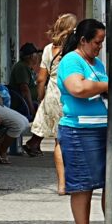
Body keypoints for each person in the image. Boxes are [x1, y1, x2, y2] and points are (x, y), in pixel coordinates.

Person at [57, 18, 112, 224]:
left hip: (104, 129)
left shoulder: (97, 64)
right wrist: (108, 87)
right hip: (80, 130)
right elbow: (77, 88)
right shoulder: (72, 61)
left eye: (102, 43)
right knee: (83, 184)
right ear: (83, 40)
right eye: (96, 42)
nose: (99, 47)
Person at [27, 13, 77, 194]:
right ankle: (74, 181)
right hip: (70, 92)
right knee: (73, 138)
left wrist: (41, 98)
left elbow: (41, 78)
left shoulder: (48, 49)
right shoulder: (76, 48)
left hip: (52, 93)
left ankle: (62, 184)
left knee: (59, 140)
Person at [9, 43, 41, 119]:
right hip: (23, 105)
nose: (37, 57)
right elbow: (25, 90)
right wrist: (32, 110)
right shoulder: (21, 67)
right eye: (36, 54)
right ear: (31, 56)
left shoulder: (28, 68)